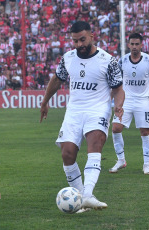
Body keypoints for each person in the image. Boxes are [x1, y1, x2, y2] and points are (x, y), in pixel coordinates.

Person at [40, 21, 124, 212]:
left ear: (92, 36)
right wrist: (45, 102)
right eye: (75, 41)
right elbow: (57, 80)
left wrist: (118, 105)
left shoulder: (107, 60)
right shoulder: (68, 58)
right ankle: (82, 200)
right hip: (74, 111)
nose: (79, 45)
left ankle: (88, 194)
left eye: (82, 40)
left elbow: (118, 89)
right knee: (67, 154)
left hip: (98, 109)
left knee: (95, 144)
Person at [109, 33, 149, 175]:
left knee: (145, 131)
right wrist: (109, 98)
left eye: (137, 44)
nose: (134, 47)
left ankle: (147, 165)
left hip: (142, 101)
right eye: (132, 44)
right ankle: (121, 160)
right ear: (128, 45)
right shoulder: (122, 61)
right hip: (126, 100)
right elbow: (116, 82)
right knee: (115, 128)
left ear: (141, 45)